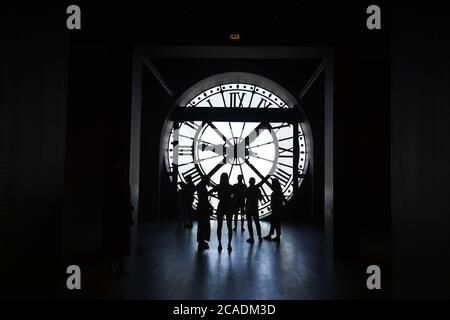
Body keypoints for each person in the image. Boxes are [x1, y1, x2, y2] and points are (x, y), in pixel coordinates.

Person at [102, 164, 134, 277]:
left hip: (112, 219)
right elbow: (127, 203)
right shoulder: (125, 186)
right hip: (122, 219)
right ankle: (120, 267)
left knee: (110, 243)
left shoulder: (109, 187)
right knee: (123, 244)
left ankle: (109, 267)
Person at [211, 172, 233, 251]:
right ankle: (229, 244)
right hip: (229, 206)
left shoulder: (219, 187)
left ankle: (219, 244)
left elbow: (210, 192)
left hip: (221, 206)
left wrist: (217, 197)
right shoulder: (230, 187)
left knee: (219, 226)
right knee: (229, 226)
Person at [244, 177, 263, 243]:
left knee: (249, 223)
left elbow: (244, 197)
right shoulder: (257, 189)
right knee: (257, 223)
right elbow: (261, 198)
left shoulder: (247, 189)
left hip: (248, 208)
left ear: (249, 182)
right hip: (255, 208)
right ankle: (259, 236)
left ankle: (251, 237)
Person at [196, 176, 212, 250]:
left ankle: (201, 242)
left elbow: (203, 199)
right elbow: (205, 200)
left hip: (201, 208)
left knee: (201, 226)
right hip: (204, 209)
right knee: (204, 225)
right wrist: (210, 206)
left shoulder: (200, 187)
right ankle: (202, 242)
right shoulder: (203, 188)